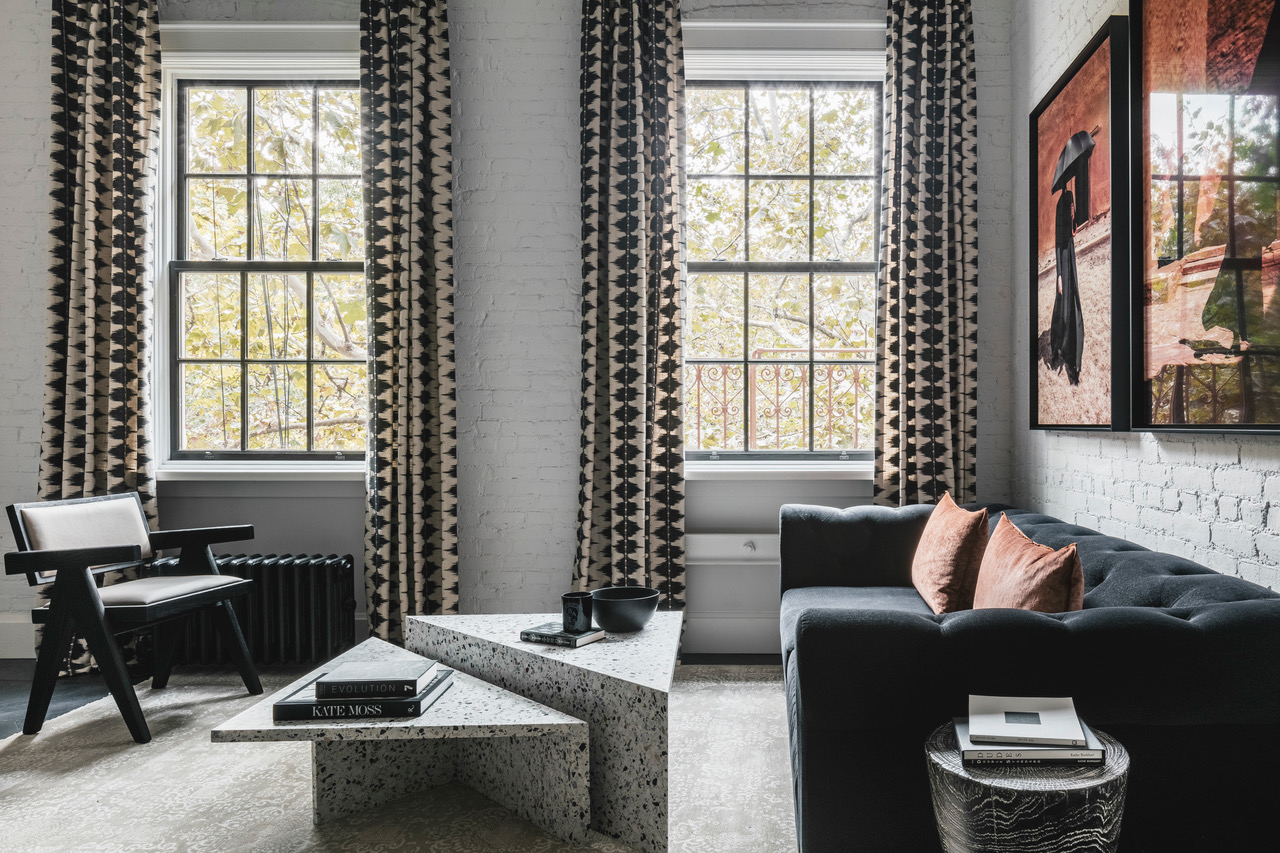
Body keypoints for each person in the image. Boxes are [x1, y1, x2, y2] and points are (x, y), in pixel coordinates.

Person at [1050, 181, 1085, 385]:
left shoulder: (1069, 204)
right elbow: (1058, 244)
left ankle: (1071, 350)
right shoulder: (1058, 208)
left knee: (1072, 304)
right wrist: (1059, 277)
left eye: (1073, 206)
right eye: (1070, 206)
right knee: (1062, 308)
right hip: (1063, 264)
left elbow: (1073, 232)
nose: (1072, 209)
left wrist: (1074, 220)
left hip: (1070, 262)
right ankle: (1059, 346)